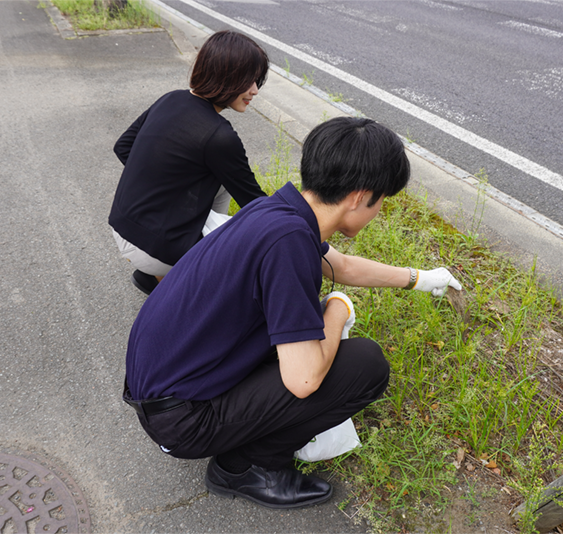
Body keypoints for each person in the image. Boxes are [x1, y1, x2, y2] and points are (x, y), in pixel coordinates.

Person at [121, 116, 463, 509]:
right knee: (365, 365)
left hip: (161, 385)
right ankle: (244, 467)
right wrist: (338, 308)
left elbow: (343, 267)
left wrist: (419, 278)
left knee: (308, 323)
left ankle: (244, 442)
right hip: (182, 421)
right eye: (382, 200)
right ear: (358, 196)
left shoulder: (279, 212)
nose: (379, 211)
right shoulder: (289, 244)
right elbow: (303, 381)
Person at [109, 30, 269, 296]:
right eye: (248, 80)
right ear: (226, 76)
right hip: (156, 248)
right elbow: (255, 203)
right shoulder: (219, 136)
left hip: (123, 227)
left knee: (217, 182)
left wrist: (164, 189)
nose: (254, 90)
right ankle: (179, 288)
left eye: (257, 80)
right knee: (243, 268)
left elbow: (123, 147)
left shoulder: (172, 99)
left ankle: (153, 276)